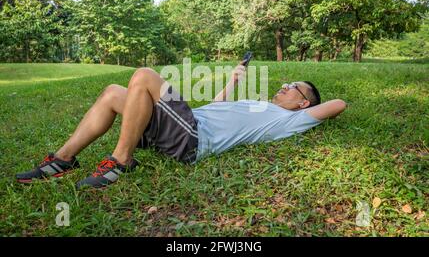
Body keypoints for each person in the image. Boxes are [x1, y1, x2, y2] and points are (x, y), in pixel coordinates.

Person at [16, 62, 347, 189]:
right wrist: (233, 80)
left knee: (144, 75)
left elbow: (338, 105)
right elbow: (216, 107)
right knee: (113, 93)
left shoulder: (289, 120)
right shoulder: (261, 104)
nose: (285, 85)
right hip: (190, 123)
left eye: (294, 88)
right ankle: (63, 159)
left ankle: (121, 160)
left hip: (192, 138)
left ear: (304, 103)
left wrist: (308, 109)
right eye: (287, 82)